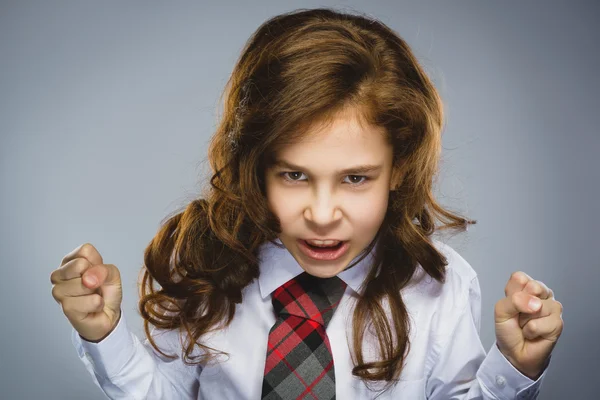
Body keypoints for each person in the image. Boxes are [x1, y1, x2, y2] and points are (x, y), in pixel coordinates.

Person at [50, 7, 563, 400]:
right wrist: (106, 336)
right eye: (295, 175)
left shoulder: (441, 285)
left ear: (399, 167)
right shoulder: (206, 266)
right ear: (257, 166)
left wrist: (513, 370)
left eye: (356, 178)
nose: (321, 214)